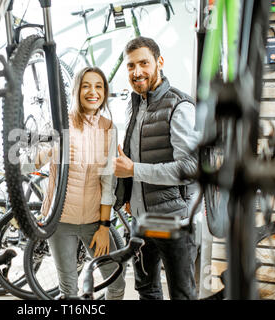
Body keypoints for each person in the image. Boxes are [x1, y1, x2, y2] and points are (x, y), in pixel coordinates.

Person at [113, 36, 201, 300]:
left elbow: (190, 167)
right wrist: (129, 196)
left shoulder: (179, 105)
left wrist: (133, 171)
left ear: (159, 62)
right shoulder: (134, 105)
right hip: (141, 221)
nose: (137, 72)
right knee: (147, 290)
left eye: (143, 63)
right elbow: (134, 157)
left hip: (174, 221)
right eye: (130, 66)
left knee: (182, 294)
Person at [35, 66, 125, 299]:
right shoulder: (59, 122)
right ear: (76, 90)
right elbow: (28, 163)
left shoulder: (108, 127)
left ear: (104, 92)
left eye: (98, 86)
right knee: (69, 291)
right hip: (60, 221)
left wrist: (105, 227)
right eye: (86, 85)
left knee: (116, 283)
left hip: (95, 221)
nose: (92, 91)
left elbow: (108, 182)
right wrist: (52, 149)